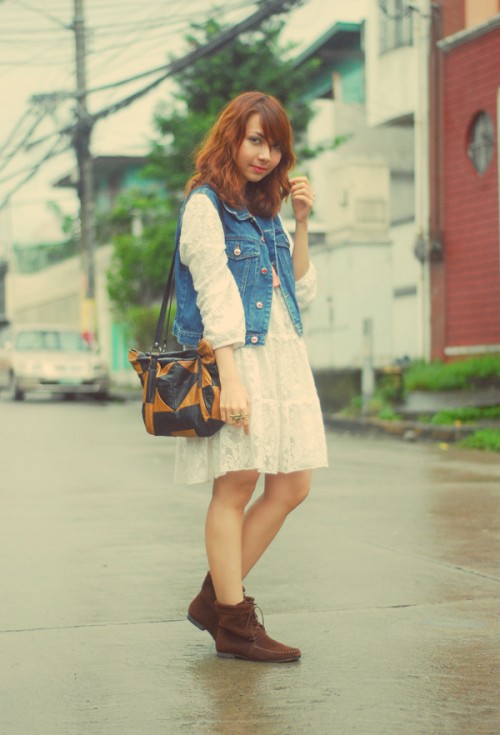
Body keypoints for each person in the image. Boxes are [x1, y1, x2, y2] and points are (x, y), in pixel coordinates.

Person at [172, 91, 328, 663]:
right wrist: (231, 380)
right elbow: (215, 295)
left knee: (292, 486)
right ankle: (234, 623)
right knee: (236, 485)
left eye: (275, 145)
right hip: (238, 357)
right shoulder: (204, 206)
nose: (265, 155)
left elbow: (301, 291)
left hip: (283, 357)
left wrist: (300, 223)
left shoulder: (266, 210)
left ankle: (214, 601)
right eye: (256, 140)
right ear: (232, 137)